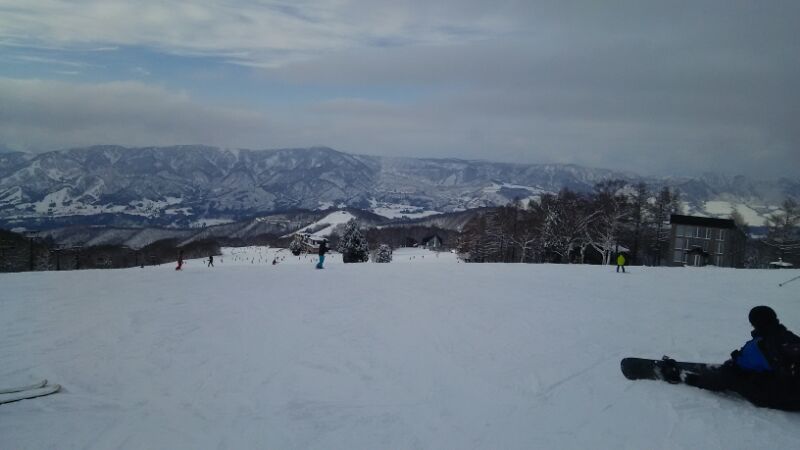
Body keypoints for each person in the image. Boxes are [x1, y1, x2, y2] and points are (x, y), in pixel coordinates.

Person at [662, 306, 800, 411]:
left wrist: (734, 362)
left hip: (787, 398)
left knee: (731, 375)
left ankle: (683, 377)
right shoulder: (789, 337)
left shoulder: (761, 345)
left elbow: (736, 369)